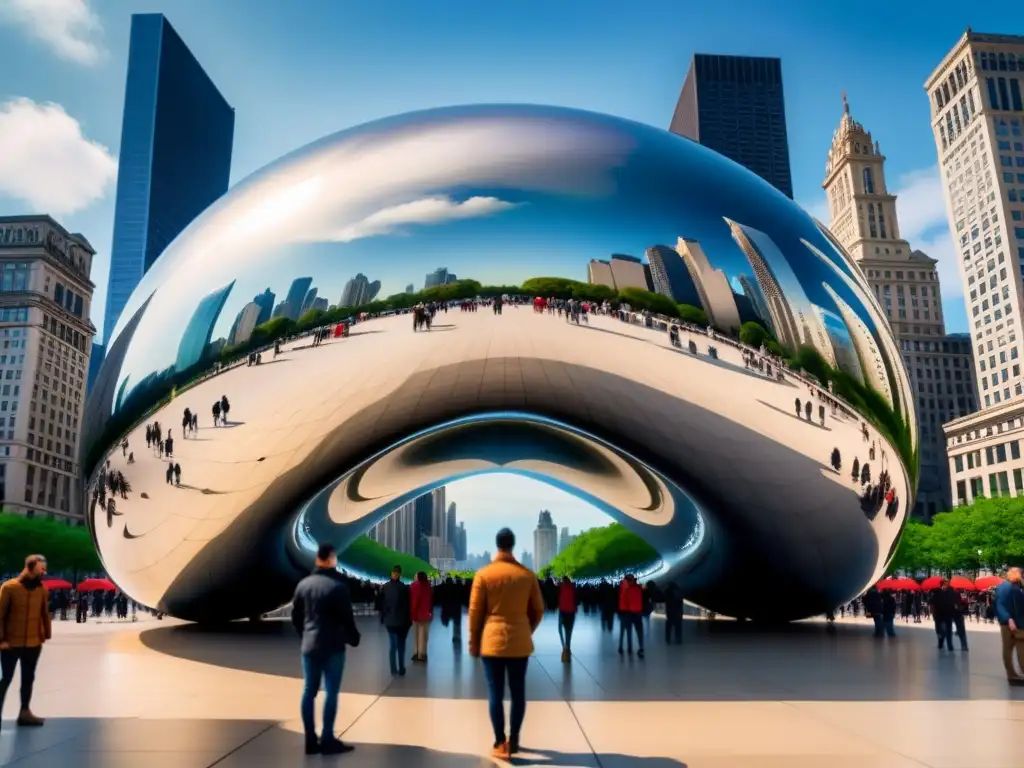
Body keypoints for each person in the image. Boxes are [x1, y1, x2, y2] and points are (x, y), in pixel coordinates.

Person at [468, 528, 544, 759]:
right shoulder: (527, 575)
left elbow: (475, 612)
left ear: (497, 544)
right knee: (518, 692)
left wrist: (474, 640)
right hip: (519, 642)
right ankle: (516, 740)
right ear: (512, 545)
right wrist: (525, 628)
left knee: (495, 693)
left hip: (492, 642)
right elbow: (538, 609)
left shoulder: (484, 574)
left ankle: (500, 742)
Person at [291, 543, 360, 756]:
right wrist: (354, 638)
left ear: (316, 559)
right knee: (331, 692)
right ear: (332, 559)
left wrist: (305, 635)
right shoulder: (338, 587)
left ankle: (310, 740)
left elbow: (296, 617)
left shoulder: (303, 585)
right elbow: (347, 620)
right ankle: (327, 738)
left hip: (310, 646)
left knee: (309, 691)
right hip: (333, 647)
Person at [0, 554, 52, 730]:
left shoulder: (42, 590)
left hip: (33, 643)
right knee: (5, 679)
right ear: (30, 567)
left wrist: (45, 634)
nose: (44, 571)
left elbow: (44, 613)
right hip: (10, 643)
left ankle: (25, 713)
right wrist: (2, 639)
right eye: (41, 568)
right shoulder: (9, 587)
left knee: (28, 679)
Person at [378, 565, 411, 676]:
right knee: (401, 645)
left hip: (390, 621)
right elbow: (407, 606)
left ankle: (393, 668)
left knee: (392, 645)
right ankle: (401, 668)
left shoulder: (385, 588)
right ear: (400, 574)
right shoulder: (404, 588)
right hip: (401, 622)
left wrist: (384, 616)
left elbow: (380, 604)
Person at [994, 567, 1024, 685]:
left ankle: (1014, 674)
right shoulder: (1006, 587)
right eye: (1022, 574)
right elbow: (1000, 604)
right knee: (1010, 649)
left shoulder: (1014, 587)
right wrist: (1009, 619)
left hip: (1016, 623)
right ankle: (1012, 675)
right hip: (1011, 624)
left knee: (1015, 648)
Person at [618, 574, 645, 658]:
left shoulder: (625, 589)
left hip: (628, 612)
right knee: (638, 631)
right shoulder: (638, 588)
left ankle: (626, 647)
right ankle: (639, 647)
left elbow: (623, 600)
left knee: (627, 630)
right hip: (635, 611)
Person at [410, 571, 433, 662]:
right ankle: (423, 653)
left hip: (417, 614)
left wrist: (412, 613)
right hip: (426, 614)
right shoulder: (428, 587)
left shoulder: (414, 586)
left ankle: (416, 652)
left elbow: (414, 602)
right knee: (424, 635)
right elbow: (430, 601)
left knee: (416, 634)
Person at [557, 577, 577, 663]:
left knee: (560, 628)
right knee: (569, 631)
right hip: (571, 612)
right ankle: (568, 647)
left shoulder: (561, 588)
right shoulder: (572, 588)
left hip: (563, 612)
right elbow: (576, 600)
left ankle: (564, 646)